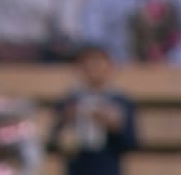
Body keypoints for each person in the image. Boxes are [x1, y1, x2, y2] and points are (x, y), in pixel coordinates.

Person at [48, 44, 137, 175]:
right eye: (87, 63)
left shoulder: (121, 102)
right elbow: (53, 143)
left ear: (109, 66)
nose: (93, 68)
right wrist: (66, 122)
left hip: (108, 167)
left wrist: (115, 126)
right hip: (77, 168)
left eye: (98, 63)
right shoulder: (69, 101)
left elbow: (131, 143)